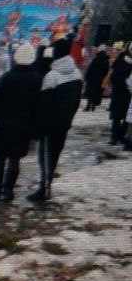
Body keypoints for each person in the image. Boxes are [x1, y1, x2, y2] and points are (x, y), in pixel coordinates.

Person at [0, 44, 43, 203]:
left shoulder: (7, 77)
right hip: (23, 125)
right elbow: (38, 106)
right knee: (14, 159)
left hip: (3, 124)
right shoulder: (37, 79)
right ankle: (8, 191)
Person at [28, 36, 83, 202]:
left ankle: (43, 189)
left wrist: (37, 128)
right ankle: (48, 184)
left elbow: (43, 106)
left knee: (44, 156)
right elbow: (76, 101)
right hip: (64, 122)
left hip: (49, 125)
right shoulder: (76, 73)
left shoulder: (52, 76)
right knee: (55, 154)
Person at [109, 44, 132, 146]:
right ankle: (114, 137)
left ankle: (120, 135)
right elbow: (114, 74)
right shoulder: (121, 57)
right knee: (116, 116)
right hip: (119, 91)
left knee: (127, 117)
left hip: (129, 93)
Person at [83, 44, 109, 111]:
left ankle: (88, 106)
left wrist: (86, 78)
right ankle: (93, 106)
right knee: (96, 92)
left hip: (92, 79)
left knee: (90, 93)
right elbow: (106, 71)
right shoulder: (106, 60)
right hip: (100, 79)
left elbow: (90, 69)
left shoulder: (96, 59)